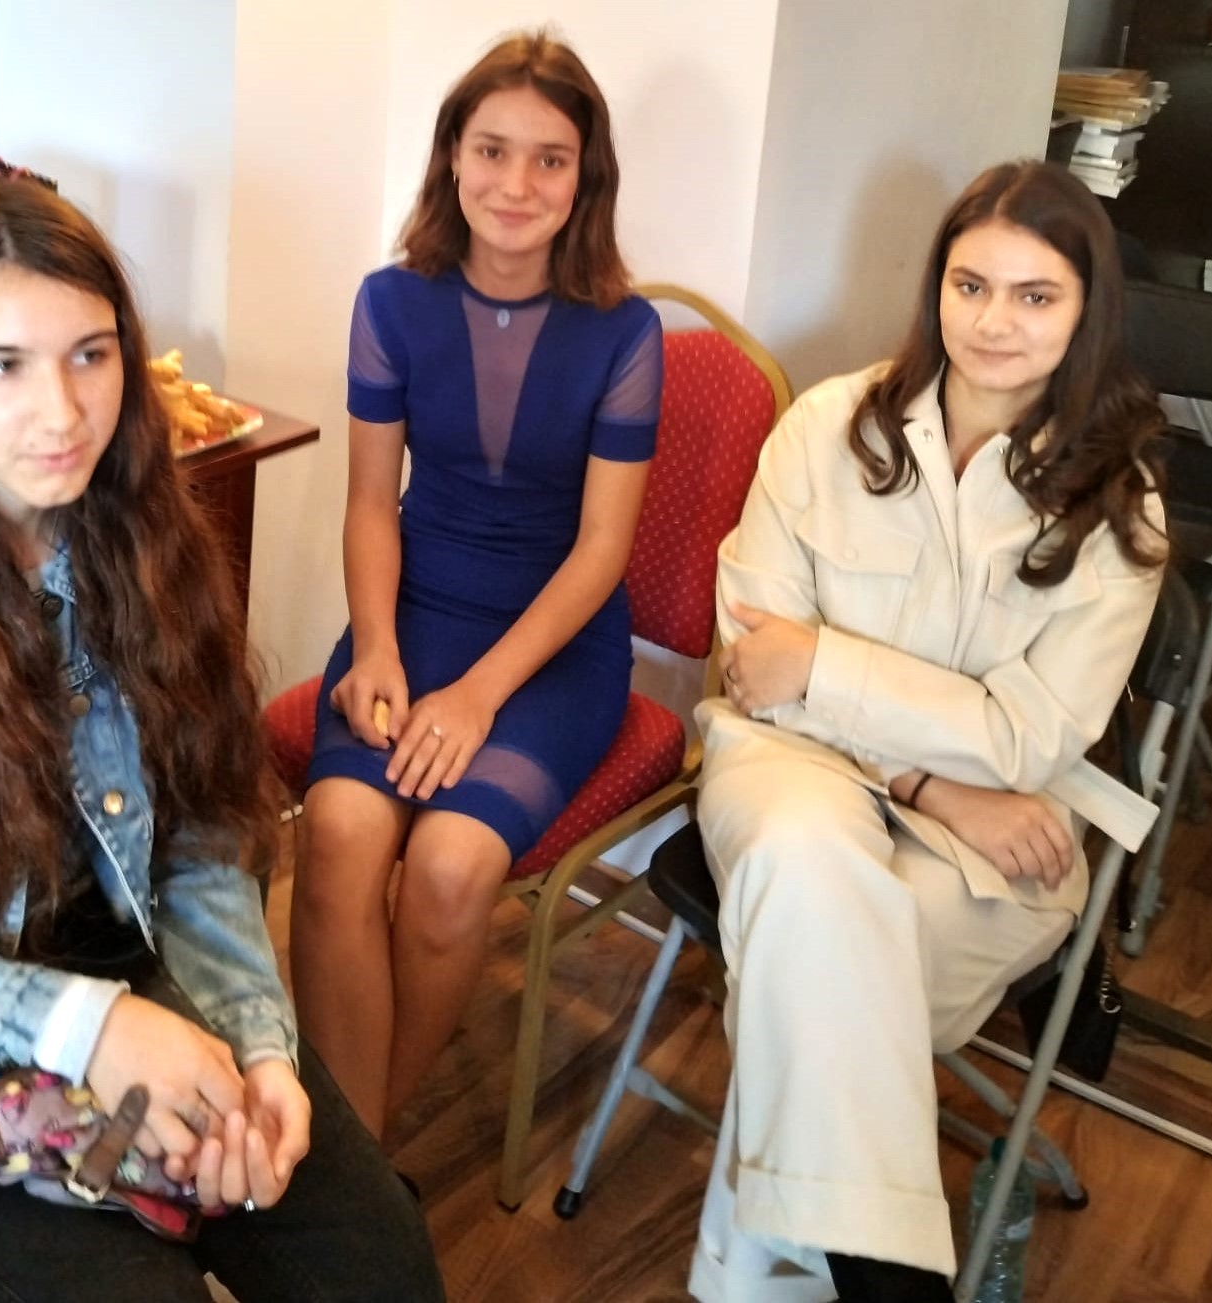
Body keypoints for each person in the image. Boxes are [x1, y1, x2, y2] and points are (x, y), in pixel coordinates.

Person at [0, 181, 442, 1303]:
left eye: (90, 354)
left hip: (127, 971)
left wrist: (257, 1047)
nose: (62, 411)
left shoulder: (145, 535)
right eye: (2, 365)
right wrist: (84, 1028)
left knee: (377, 1264)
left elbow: (202, 839)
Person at [689, 161, 1167, 1303]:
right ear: (935, 288)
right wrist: (929, 777)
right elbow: (756, 665)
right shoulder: (829, 428)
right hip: (796, 768)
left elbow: (1027, 738)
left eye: (1035, 295)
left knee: (808, 955)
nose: (994, 321)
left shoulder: (1118, 505)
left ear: (1087, 310)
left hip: (1002, 834)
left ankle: (772, 1284)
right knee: (810, 873)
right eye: (970, 285)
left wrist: (827, 667)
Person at [289, 29, 662, 1139]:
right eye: (492, 150)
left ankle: (350, 1162)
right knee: (339, 832)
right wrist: (377, 647)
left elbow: (601, 551)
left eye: (550, 159)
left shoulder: (627, 332)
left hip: (553, 651)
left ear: (585, 177)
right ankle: (343, 1169)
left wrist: (477, 697)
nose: (516, 184)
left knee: (450, 867)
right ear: (453, 154)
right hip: (410, 618)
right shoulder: (389, 302)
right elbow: (372, 502)